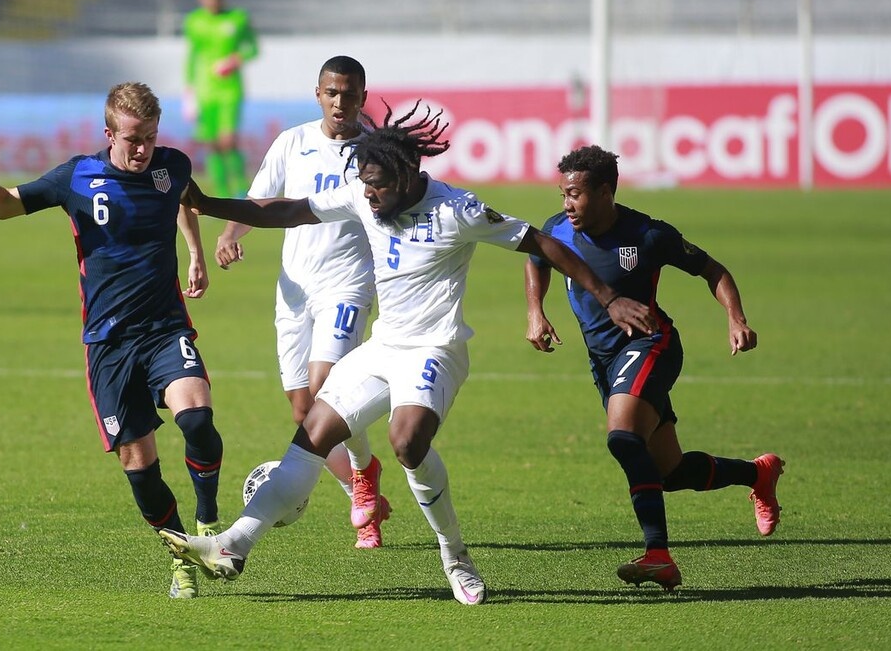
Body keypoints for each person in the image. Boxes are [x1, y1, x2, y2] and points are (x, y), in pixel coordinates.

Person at [157, 102, 660, 605]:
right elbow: (290, 210)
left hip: (435, 348)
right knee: (312, 433)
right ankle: (234, 545)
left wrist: (608, 296)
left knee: (405, 442)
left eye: (378, 186)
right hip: (384, 347)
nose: (369, 196)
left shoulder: (456, 209)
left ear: (408, 174)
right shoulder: (363, 192)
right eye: (364, 183)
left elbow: (543, 244)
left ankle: (455, 556)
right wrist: (205, 202)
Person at [0, 82, 224, 601]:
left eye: (149, 137)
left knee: (197, 419)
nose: (142, 149)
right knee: (141, 470)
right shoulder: (77, 177)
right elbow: (4, 207)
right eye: (131, 139)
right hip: (110, 344)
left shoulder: (173, 166)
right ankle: (183, 556)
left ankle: (210, 523)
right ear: (108, 133)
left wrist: (195, 252)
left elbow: (184, 197)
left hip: (165, 328)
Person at [523, 144, 785, 592]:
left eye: (575, 194)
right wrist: (535, 310)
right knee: (669, 472)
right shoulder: (556, 229)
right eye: (563, 194)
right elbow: (537, 259)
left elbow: (713, 270)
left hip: (651, 344)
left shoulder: (648, 234)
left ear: (605, 192)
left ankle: (658, 555)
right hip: (604, 360)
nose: (566, 204)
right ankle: (757, 473)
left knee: (624, 440)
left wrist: (735, 317)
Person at [215, 55, 390, 549]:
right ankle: (365, 474)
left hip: (348, 284)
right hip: (294, 288)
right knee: (301, 410)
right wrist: (231, 234)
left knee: (325, 388)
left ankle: (360, 477)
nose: (340, 102)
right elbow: (260, 200)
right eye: (332, 93)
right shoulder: (292, 142)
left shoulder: (376, 151)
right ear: (318, 94)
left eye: (350, 93)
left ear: (362, 96)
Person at [182, 0, 258, 199]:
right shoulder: (194, 21)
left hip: (229, 90)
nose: (211, 0)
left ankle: (243, 189)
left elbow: (253, 48)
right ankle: (222, 195)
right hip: (205, 91)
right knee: (212, 145)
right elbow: (192, 56)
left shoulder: (237, 18)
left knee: (228, 140)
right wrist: (188, 90)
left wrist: (235, 59)